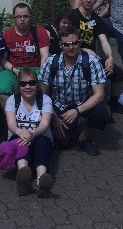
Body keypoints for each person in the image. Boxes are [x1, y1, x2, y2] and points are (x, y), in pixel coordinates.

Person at [38, 26, 110, 156]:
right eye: (66, 44)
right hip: (60, 105)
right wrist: (54, 117)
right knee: (64, 143)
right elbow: (43, 94)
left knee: (103, 112)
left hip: (83, 102)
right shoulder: (50, 62)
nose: (71, 47)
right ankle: (70, 126)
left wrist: (77, 111)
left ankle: (85, 137)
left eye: (75, 43)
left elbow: (100, 94)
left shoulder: (91, 61)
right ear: (60, 45)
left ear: (80, 43)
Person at [73, 0, 123, 115]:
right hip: (73, 55)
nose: (88, 0)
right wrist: (84, 49)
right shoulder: (73, 16)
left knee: (118, 73)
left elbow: (104, 41)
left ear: (95, 0)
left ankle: (114, 103)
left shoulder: (96, 19)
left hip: (93, 57)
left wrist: (110, 57)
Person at [3, 68, 54, 197]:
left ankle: (41, 180)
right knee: (19, 142)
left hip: (39, 135)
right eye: (23, 83)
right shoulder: (12, 100)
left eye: (31, 83)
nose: (27, 87)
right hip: (19, 135)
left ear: (37, 84)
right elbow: (11, 124)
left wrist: (33, 134)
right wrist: (20, 132)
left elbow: (44, 125)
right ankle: (23, 175)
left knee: (42, 143)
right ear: (19, 86)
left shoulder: (45, 99)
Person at [0, 3, 49, 111]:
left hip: (34, 67)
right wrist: (14, 70)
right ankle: (10, 116)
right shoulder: (6, 35)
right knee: (3, 84)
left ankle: (40, 113)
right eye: (19, 17)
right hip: (14, 68)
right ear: (14, 18)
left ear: (30, 17)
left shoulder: (39, 31)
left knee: (43, 81)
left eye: (25, 16)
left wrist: (41, 71)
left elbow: (45, 55)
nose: (22, 19)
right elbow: (2, 60)